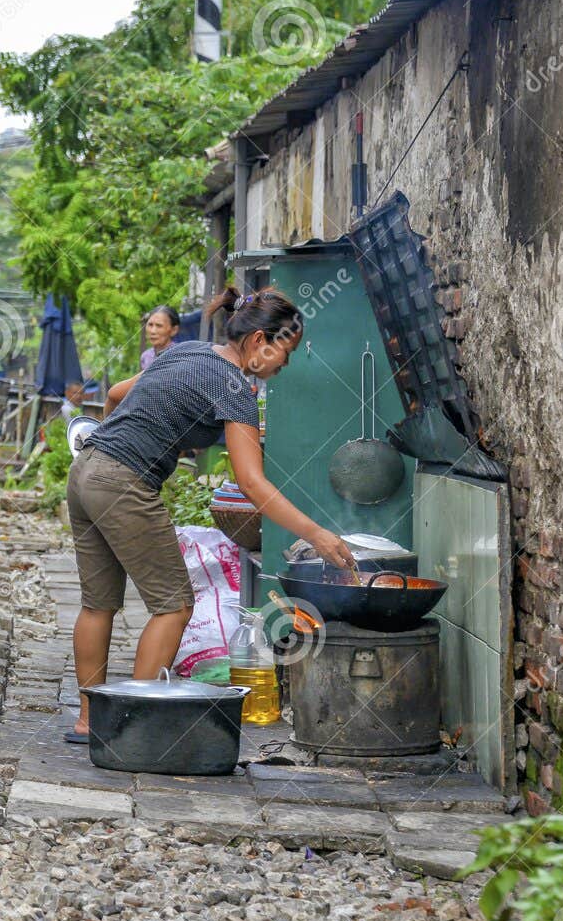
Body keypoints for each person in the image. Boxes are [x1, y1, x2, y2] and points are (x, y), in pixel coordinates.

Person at [64, 286, 357, 745]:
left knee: (98, 604)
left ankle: (89, 722)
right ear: (259, 341)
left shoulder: (190, 351)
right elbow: (252, 483)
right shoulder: (236, 388)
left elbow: (117, 396)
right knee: (175, 606)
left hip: (86, 467)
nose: (284, 365)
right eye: (285, 352)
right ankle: (127, 729)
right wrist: (317, 534)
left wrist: (123, 442)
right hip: (122, 482)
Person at [140, 305, 178, 370]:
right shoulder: (146, 356)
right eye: (150, 324)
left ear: (174, 330)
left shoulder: (180, 355)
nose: (153, 331)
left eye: (159, 326)